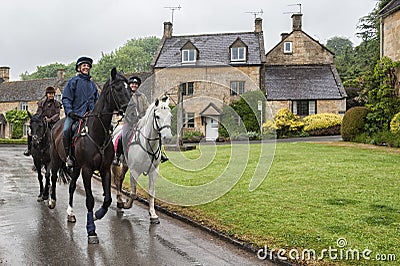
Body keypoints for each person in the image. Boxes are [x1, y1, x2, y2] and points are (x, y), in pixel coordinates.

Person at [113, 75, 168, 165]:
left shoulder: (142, 96)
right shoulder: (126, 95)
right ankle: (118, 156)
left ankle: (160, 153)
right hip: (129, 122)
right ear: (129, 85)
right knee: (122, 136)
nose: (134, 85)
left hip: (141, 122)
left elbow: (147, 108)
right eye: (132, 84)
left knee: (156, 134)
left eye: (136, 84)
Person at [62, 56, 99, 167]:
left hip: (90, 115)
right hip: (75, 114)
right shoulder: (73, 82)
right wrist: (70, 112)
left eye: (88, 66)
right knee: (66, 130)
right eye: (84, 65)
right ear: (79, 68)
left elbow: (97, 100)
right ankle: (68, 156)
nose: (86, 67)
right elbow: (66, 98)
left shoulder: (93, 85)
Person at [24, 86, 61, 156]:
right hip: (42, 122)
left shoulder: (57, 103)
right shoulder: (42, 103)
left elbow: (57, 114)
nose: (51, 95)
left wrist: (50, 119)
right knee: (30, 132)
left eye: (52, 94)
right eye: (49, 93)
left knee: (59, 134)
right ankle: (29, 149)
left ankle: (59, 151)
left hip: (54, 123)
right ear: (46, 94)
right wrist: (35, 118)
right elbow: (38, 112)